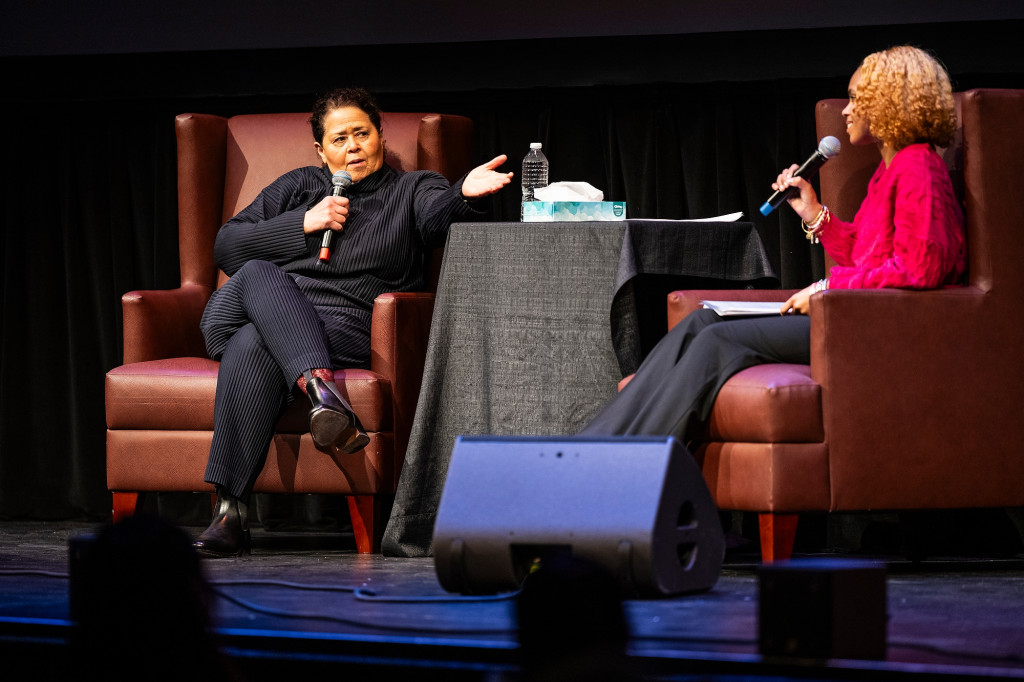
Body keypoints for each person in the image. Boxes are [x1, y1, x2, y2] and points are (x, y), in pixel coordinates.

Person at [580, 45, 965, 442]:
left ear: (887, 104)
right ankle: (593, 443)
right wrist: (813, 211)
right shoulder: (890, 170)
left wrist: (825, 288)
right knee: (702, 320)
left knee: (716, 339)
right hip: (855, 316)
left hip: (874, 328)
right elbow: (868, 256)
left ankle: (622, 456)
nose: (847, 111)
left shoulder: (918, 167)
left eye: (855, 99)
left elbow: (920, 270)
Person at [192, 87, 513, 557]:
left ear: (380, 135)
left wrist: (463, 194)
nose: (353, 147)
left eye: (362, 134)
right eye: (340, 139)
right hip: (243, 307)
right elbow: (227, 248)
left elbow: (437, 216)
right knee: (259, 272)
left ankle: (229, 512)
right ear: (321, 150)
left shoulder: (411, 188)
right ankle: (322, 391)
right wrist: (301, 223)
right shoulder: (299, 186)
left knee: (254, 345)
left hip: (341, 325)